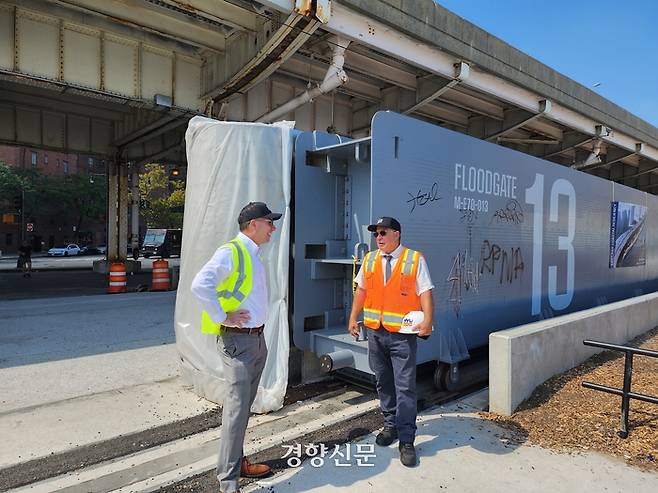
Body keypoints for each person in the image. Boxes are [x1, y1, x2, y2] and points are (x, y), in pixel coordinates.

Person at [191, 201, 282, 493]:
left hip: (255, 339)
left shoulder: (252, 253)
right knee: (236, 410)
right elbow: (200, 284)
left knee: (243, 410)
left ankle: (238, 462)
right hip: (238, 342)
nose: (273, 228)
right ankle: (228, 483)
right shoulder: (232, 251)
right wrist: (222, 316)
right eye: (269, 223)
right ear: (253, 224)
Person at [348, 216, 434, 467]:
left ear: (397, 234)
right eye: (376, 234)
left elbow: (425, 291)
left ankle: (407, 440)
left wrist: (428, 320)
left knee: (405, 386)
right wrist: (354, 318)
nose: (379, 238)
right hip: (376, 332)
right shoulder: (371, 259)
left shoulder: (414, 259)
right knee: (383, 381)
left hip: (402, 336)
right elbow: (361, 290)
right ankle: (390, 425)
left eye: (383, 233)